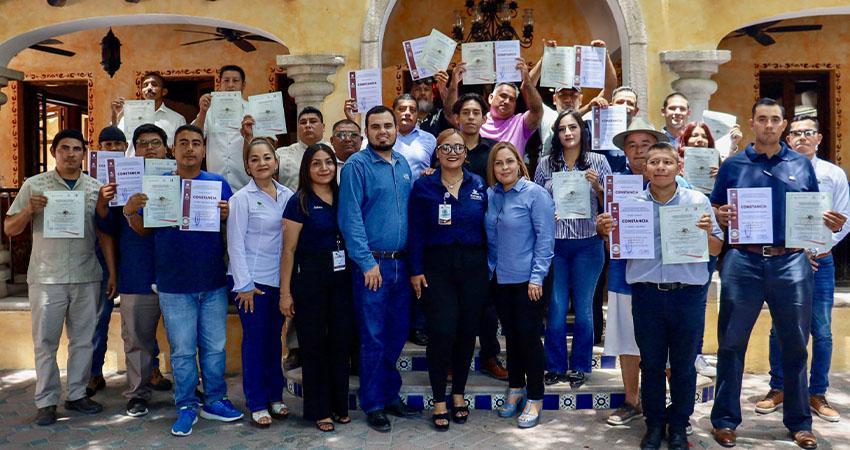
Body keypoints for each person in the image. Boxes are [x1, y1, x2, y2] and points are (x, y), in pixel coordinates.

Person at [709, 98, 842, 450]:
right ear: (752, 122)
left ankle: (800, 423)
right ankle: (725, 421)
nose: (769, 125)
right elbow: (716, 206)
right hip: (743, 261)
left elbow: (811, 212)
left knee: (795, 344)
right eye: (762, 119)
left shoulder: (800, 164)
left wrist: (826, 226)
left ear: (783, 125)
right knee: (731, 343)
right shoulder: (733, 165)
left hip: (791, 262)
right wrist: (720, 215)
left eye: (775, 120)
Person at [600, 142, 724, 450]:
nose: (660, 167)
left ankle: (679, 425)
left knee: (683, 365)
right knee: (652, 364)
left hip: (687, 296)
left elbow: (717, 248)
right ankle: (654, 425)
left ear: (678, 167)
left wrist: (705, 233)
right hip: (647, 296)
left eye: (667, 162)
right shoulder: (631, 206)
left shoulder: (697, 202)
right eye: (653, 162)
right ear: (645, 169)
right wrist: (606, 233)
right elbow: (617, 250)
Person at [126, 124, 242, 436]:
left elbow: (235, 228)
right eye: (183, 143)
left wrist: (228, 214)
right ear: (172, 150)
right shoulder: (159, 185)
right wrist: (131, 212)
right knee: (182, 351)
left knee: (215, 348)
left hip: (212, 281)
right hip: (174, 285)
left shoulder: (218, 184)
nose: (190, 148)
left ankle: (215, 400)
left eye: (196, 143)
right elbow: (145, 230)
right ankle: (187, 405)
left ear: (204, 150)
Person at [3, 129, 113, 426]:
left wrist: (111, 272)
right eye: (65, 148)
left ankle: (76, 395)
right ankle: (46, 401)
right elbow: (10, 228)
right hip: (46, 277)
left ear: (84, 154)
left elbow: (104, 233)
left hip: (86, 275)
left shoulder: (95, 188)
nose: (71, 154)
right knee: (45, 342)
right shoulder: (34, 185)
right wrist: (29, 209)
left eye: (77, 149)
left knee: (83, 340)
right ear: (54, 152)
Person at [755, 115, 850, 424]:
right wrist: (794, 250)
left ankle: (817, 392)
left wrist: (814, 248)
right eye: (796, 133)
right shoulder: (776, 171)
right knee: (779, 327)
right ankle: (779, 387)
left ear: (819, 138)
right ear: (788, 138)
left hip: (821, 260)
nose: (802, 137)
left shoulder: (833, 174)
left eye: (809, 132)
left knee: (821, 329)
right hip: (784, 260)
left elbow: (844, 219)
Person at [338, 105, 420, 432]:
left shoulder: (402, 164)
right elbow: (350, 218)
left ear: (396, 129)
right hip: (372, 266)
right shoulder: (356, 166)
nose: (383, 131)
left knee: (396, 334)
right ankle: (373, 403)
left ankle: (389, 394)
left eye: (388, 125)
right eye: (376, 126)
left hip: (401, 264)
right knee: (372, 336)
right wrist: (366, 262)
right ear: (366, 131)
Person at [409, 129, 489, 430]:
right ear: (437, 153)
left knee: (467, 332)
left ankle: (458, 395)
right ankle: (439, 400)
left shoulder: (478, 184)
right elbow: (415, 231)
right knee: (441, 332)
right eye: (446, 147)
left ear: (465, 154)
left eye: (458, 147)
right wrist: (415, 270)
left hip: (473, 267)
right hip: (436, 268)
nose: (452, 152)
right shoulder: (424, 186)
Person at [94, 124, 173, 418]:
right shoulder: (123, 181)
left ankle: (189, 390)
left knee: (184, 339)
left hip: (177, 272)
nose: (149, 148)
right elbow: (107, 227)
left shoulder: (181, 178)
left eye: (155, 142)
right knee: (136, 339)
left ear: (166, 148)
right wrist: (105, 202)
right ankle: (137, 394)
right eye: (142, 143)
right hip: (137, 271)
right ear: (134, 150)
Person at [601, 117, 671, 427]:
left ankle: (668, 403)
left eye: (645, 144)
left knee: (666, 342)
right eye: (632, 145)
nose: (639, 151)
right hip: (624, 273)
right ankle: (632, 400)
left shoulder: (674, 183)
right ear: (625, 152)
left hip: (664, 276)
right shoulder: (615, 185)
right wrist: (604, 229)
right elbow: (607, 235)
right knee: (627, 340)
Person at [534, 110, 610, 388]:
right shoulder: (545, 164)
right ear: (556, 134)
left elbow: (612, 203)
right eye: (562, 128)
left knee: (584, 307)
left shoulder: (598, 161)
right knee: (555, 307)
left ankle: (579, 366)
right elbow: (535, 200)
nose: (568, 133)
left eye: (573, 127)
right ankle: (554, 366)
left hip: (588, 245)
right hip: (554, 246)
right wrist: (547, 212)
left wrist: (598, 187)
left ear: (582, 131)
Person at [281, 144, 354, 432]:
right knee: (313, 347)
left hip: (341, 282)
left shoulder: (344, 197)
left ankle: (339, 406)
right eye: (316, 163)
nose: (324, 168)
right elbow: (288, 250)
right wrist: (285, 293)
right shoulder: (298, 201)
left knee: (340, 344)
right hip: (309, 283)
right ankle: (319, 410)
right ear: (306, 169)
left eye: (329, 162)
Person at [486, 142, 555, 429]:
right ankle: (515, 387)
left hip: (530, 281)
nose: (504, 167)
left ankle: (536, 397)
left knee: (528, 338)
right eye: (498, 163)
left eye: (509, 161)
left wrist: (537, 277)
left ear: (519, 163)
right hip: (500, 279)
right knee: (512, 338)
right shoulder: (491, 195)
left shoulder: (535, 194)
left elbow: (545, 239)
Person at [226, 138, 293, 428]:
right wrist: (243, 285)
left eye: (267, 157)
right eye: (255, 159)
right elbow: (235, 244)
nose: (262, 163)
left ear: (276, 162)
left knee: (274, 340)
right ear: (247, 167)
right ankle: (256, 401)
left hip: (280, 280)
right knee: (255, 341)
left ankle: (275, 396)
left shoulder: (288, 195)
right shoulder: (241, 199)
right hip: (253, 283)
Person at [449, 92, 507, 380]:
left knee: (487, 305)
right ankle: (452, 360)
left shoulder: (493, 151)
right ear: (456, 118)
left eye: (476, 113)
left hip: (487, 238)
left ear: (484, 118)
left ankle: (489, 357)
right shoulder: (448, 148)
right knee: (453, 305)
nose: (470, 117)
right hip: (453, 238)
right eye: (465, 112)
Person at [86, 126, 125, 398]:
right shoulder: (89, 180)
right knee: (99, 316)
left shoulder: (137, 173)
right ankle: (94, 372)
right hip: (100, 256)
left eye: (117, 144)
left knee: (143, 316)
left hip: (135, 253)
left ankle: (152, 368)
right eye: (107, 144)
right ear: (99, 148)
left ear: (125, 147)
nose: (112, 149)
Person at [529, 39, 619, 157]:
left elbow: (610, 86)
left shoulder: (589, 116)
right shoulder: (547, 115)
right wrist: (546, 58)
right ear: (554, 99)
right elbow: (528, 86)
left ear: (580, 99)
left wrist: (604, 55)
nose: (568, 99)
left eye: (573, 95)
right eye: (562, 95)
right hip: (551, 167)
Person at [452, 57, 543, 158]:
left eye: (512, 99)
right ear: (491, 98)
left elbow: (536, 111)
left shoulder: (520, 123)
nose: (507, 101)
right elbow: (451, 112)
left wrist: (527, 81)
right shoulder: (477, 118)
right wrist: (454, 83)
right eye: (503, 96)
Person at [193, 65, 251, 191]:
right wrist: (202, 112)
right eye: (226, 80)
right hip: (215, 184)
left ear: (243, 85)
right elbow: (194, 136)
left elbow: (269, 143)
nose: (230, 85)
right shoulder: (209, 110)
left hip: (246, 183)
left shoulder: (252, 110)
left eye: (235, 81)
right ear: (219, 83)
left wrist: (250, 135)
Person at [111, 72, 186, 156]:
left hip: (163, 164)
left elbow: (182, 147)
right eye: (145, 85)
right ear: (141, 92)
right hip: (132, 164)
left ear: (164, 91)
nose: (149, 88)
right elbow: (115, 139)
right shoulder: (128, 116)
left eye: (154, 84)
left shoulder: (177, 119)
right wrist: (115, 115)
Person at [271, 106, 330, 191]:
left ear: (323, 127)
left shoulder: (335, 152)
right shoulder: (282, 154)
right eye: (303, 122)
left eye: (313, 121)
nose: (308, 125)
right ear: (298, 128)